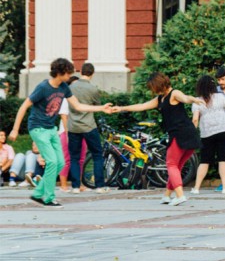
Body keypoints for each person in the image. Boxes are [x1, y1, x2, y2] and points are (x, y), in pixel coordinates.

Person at [8, 58, 113, 208]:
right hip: (38, 128)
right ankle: (48, 198)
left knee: (60, 163)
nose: (70, 76)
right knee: (52, 162)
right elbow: (24, 106)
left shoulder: (64, 87)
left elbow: (78, 105)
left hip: (51, 129)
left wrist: (101, 108)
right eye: (68, 73)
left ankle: (38, 193)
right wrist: (15, 129)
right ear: (60, 73)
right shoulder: (43, 87)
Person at [113, 72, 202, 206]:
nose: (152, 90)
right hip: (188, 133)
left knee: (171, 164)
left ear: (159, 84)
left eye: (152, 87)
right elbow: (141, 106)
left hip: (180, 134)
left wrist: (193, 99)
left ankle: (180, 195)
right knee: (176, 166)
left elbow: (185, 98)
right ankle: (167, 196)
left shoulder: (174, 93)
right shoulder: (160, 99)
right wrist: (121, 108)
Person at [190, 75, 225, 194]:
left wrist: (192, 133)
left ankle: (196, 188)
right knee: (223, 159)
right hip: (224, 130)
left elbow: (195, 119)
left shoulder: (197, 101)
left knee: (205, 160)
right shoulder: (220, 97)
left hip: (207, 133)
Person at [67, 63, 108, 194]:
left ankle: (75, 186)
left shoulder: (70, 87)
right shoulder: (93, 89)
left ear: (80, 71)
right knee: (97, 155)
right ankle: (99, 186)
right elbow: (97, 105)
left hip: (73, 126)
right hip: (89, 126)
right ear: (92, 73)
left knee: (74, 157)